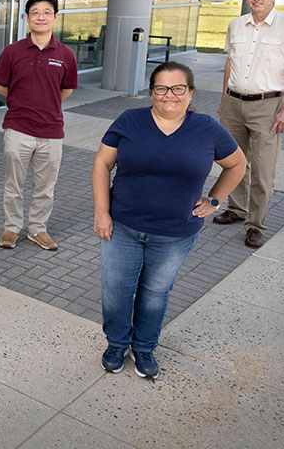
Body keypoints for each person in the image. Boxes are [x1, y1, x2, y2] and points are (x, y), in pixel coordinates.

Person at [92, 61, 245, 379]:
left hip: (175, 233)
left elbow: (237, 164)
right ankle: (117, 344)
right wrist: (102, 213)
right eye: (161, 88)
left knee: (154, 293)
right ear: (152, 92)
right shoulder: (130, 120)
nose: (169, 95)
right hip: (122, 227)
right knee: (116, 289)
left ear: (191, 92)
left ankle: (144, 348)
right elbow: (102, 164)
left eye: (178, 88)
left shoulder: (207, 128)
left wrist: (214, 200)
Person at [214, 0, 284, 248]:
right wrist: (224, 100)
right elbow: (229, 64)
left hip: (268, 105)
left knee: (263, 169)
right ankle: (236, 209)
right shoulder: (236, 25)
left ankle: (256, 224)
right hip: (233, 104)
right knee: (233, 161)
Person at [0, 0, 77, 251]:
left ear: (55, 18)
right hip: (18, 128)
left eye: (47, 13)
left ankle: (38, 229)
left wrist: (45, 104)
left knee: (45, 186)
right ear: (27, 18)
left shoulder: (66, 55)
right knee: (13, 184)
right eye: (35, 13)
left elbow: (67, 90)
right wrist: (20, 102)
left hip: (51, 131)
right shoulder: (13, 52)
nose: (41, 17)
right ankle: (11, 227)